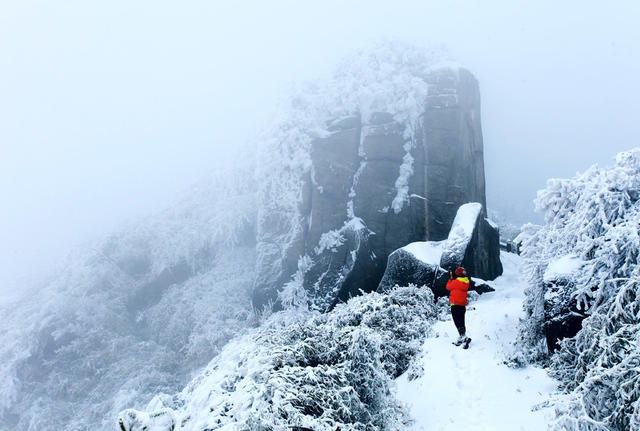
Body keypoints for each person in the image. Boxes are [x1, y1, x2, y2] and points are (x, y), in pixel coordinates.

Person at [446, 266, 471, 347]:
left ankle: (464, 337)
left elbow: (448, 287)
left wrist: (450, 279)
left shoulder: (455, 282)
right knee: (461, 321)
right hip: (462, 305)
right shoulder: (466, 282)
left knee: (457, 321)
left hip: (455, 304)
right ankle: (461, 338)